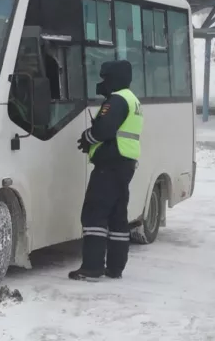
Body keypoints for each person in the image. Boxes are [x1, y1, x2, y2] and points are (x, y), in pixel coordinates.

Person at [69, 60, 143, 281]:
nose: (102, 83)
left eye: (105, 78)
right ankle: (115, 267)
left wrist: (87, 138)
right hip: (125, 163)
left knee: (94, 214)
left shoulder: (118, 100)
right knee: (117, 217)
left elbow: (104, 128)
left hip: (109, 165)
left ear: (114, 78)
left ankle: (92, 268)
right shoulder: (133, 100)